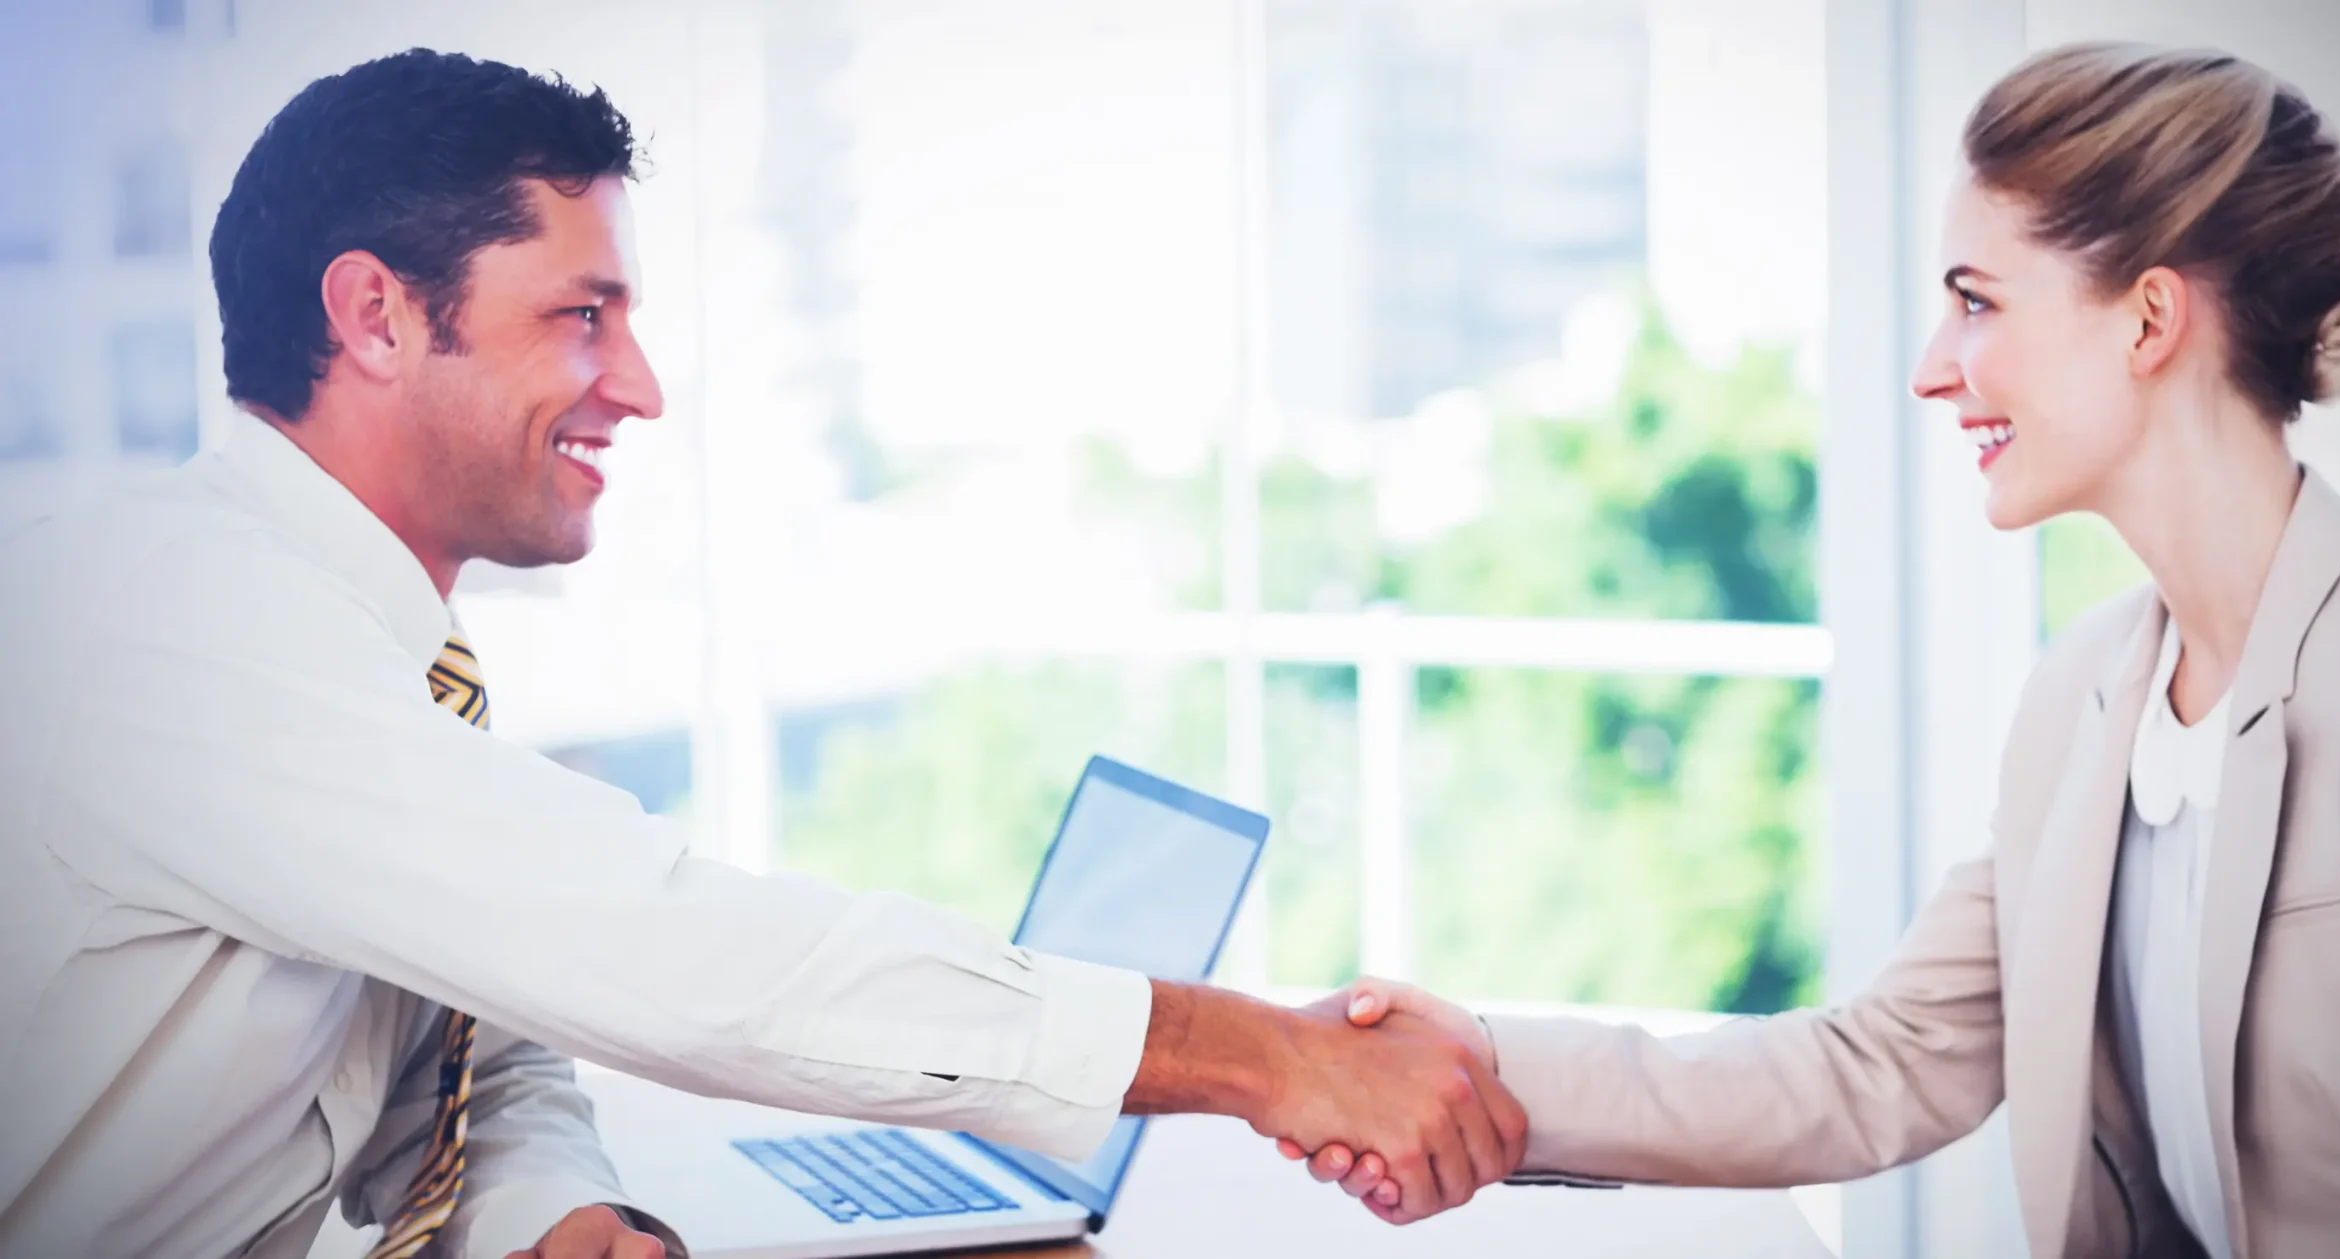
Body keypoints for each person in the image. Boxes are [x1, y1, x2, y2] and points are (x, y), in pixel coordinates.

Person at [0, 49, 1523, 1259]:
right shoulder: (183, 632)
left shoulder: (356, 649)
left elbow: (473, 1048)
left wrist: (550, 1212)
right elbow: (654, 942)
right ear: (375, 315)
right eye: (584, 313)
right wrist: (1261, 1054)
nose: (642, 385)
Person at [1281, 41, 2340, 1258]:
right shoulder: (2083, 700)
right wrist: (1479, 1063)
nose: (1931, 371)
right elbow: (1875, 1065)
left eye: (1974, 303)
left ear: (2148, 318)